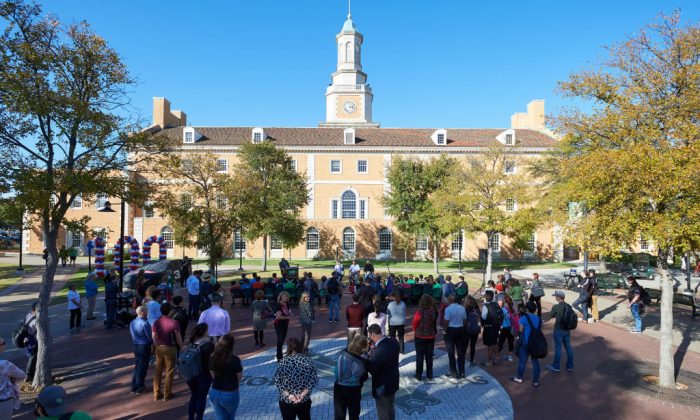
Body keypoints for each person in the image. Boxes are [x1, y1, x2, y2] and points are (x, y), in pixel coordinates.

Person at [274, 337, 318, 420]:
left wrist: (289, 395)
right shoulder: (308, 361)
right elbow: (313, 380)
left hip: (287, 401)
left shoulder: (283, 362)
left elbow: (278, 381)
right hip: (303, 401)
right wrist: (302, 395)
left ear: (288, 348)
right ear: (300, 347)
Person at [151, 303, 183, 401]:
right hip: (170, 348)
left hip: (159, 348)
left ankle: (156, 393)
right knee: (169, 371)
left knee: (158, 371)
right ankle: (167, 393)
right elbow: (178, 336)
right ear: (169, 311)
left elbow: (153, 336)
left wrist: (157, 345)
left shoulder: (156, 322)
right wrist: (181, 346)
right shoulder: (174, 322)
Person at [367, 324, 400, 420]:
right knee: (390, 407)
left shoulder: (378, 352)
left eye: (370, 336)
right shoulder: (394, 342)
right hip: (393, 382)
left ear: (373, 334)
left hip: (381, 387)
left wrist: (369, 357)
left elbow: (373, 370)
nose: (370, 339)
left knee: (382, 411)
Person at [333, 334, 369, 420]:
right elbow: (364, 377)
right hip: (354, 390)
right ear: (363, 347)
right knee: (354, 415)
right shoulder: (364, 360)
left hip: (339, 388)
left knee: (339, 415)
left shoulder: (342, 353)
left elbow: (335, 371)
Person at [208, 332, 243, 420]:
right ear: (231, 345)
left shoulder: (213, 357)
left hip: (215, 391)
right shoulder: (235, 360)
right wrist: (233, 383)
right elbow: (239, 377)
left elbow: (212, 373)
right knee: (230, 417)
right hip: (230, 393)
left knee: (220, 417)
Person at [186, 324, 215, 420]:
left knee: (194, 396)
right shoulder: (208, 345)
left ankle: (191, 417)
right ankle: (199, 418)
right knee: (201, 398)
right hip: (204, 375)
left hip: (191, 375)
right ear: (205, 332)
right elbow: (214, 359)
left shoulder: (192, 344)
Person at [511, 301, 541, 387]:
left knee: (522, 361)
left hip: (525, 342)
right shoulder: (538, 319)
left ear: (527, 309)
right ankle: (535, 381)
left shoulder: (523, 318)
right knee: (535, 362)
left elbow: (520, 330)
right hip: (535, 343)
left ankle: (519, 377)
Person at [546, 291, 575, 373]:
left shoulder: (556, 306)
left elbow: (551, 315)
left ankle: (556, 366)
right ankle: (570, 366)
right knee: (568, 347)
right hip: (567, 330)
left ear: (558, 297)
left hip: (558, 330)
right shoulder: (568, 306)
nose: (555, 297)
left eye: (555, 296)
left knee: (558, 349)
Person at [412, 294, 437, 381]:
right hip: (430, 335)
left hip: (420, 336)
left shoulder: (419, 312)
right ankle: (429, 374)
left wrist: (416, 330)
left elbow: (415, 323)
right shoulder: (433, 311)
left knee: (420, 356)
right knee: (429, 356)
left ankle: (419, 375)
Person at [0, 336, 25, 418]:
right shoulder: (5, 364)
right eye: (3, 343)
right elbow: (22, 375)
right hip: (4, 401)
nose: (5, 345)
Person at [442, 294, 467, 378]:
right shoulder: (462, 308)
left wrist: (445, 331)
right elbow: (465, 321)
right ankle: (462, 371)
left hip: (451, 330)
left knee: (451, 352)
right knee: (460, 352)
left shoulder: (448, 309)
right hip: (460, 329)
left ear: (450, 300)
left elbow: (446, 322)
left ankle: (453, 372)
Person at [129, 306, 152, 394]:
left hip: (136, 345)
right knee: (143, 367)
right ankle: (140, 386)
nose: (147, 313)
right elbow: (149, 337)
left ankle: (134, 386)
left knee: (137, 365)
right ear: (142, 313)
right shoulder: (145, 323)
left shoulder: (133, 322)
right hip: (144, 346)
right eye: (146, 311)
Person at [481, 290, 500, 367]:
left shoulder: (485, 306)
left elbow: (483, 317)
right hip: (496, 326)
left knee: (489, 345)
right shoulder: (496, 304)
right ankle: (496, 359)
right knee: (495, 343)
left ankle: (490, 362)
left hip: (488, 327)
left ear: (486, 297)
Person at [21, 302, 38, 390]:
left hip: (27, 339)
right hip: (33, 341)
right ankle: (29, 376)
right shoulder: (36, 320)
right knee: (33, 357)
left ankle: (32, 374)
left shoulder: (28, 315)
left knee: (32, 357)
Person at [497, 295, 518, 362]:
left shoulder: (503, 309)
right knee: (510, 342)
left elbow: (499, 317)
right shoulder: (513, 309)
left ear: (505, 302)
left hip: (504, 327)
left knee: (501, 342)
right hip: (511, 327)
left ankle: (497, 357)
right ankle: (510, 356)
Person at [464, 296, 481, 367]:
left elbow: (464, 319)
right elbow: (480, 318)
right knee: (472, 346)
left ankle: (462, 359)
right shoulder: (476, 309)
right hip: (475, 330)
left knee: (464, 345)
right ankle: (471, 360)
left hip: (467, 330)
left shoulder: (465, 309)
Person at [275, 292, 292, 361]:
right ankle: (279, 357)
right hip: (279, 324)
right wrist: (287, 318)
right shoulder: (278, 305)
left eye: (287, 297)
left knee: (282, 340)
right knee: (280, 340)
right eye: (284, 296)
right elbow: (278, 317)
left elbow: (288, 312)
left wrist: (290, 313)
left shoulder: (287, 304)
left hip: (285, 324)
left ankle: (278, 353)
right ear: (281, 297)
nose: (286, 298)